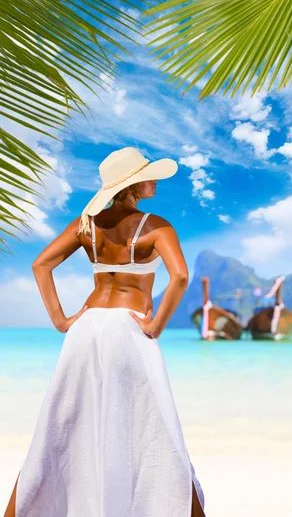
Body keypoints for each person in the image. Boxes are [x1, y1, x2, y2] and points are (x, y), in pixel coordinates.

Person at [4, 147, 206, 517]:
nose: (155, 180)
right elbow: (179, 276)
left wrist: (62, 321)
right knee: (153, 429)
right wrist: (155, 325)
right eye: (148, 175)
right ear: (131, 186)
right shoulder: (155, 226)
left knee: (60, 427)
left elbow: (40, 264)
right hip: (128, 331)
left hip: (87, 328)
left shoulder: (87, 224)